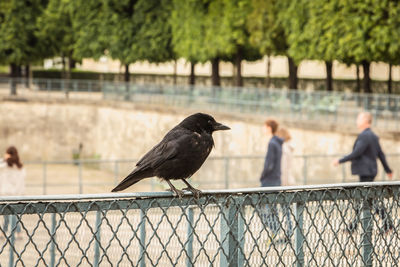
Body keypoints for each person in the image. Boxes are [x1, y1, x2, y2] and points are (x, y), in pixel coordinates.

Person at [333, 112, 393, 234]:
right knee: (367, 199)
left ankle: (386, 224)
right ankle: (355, 226)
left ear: (366, 121)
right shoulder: (373, 136)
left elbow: (357, 152)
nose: (357, 121)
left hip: (366, 171)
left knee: (369, 200)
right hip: (370, 170)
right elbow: (380, 154)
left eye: (359, 119)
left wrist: (340, 160)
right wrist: (388, 170)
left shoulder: (365, 136)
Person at [260, 119, 285, 242]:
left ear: (269, 128)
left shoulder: (272, 143)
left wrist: (263, 176)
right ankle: (277, 232)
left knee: (262, 207)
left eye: (264, 126)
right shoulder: (278, 143)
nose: (263, 129)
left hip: (269, 180)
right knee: (273, 208)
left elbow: (269, 164)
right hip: (276, 179)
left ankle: (276, 230)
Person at [0, 146, 26, 239]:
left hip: (6, 194)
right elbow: (22, 181)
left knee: (8, 215)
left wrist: (5, 159)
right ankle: (16, 233)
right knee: (12, 214)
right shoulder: (20, 166)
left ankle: (9, 232)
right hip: (17, 194)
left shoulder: (4, 166)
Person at [276, 127, 294, 237]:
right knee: (286, 209)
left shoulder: (284, 148)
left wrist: (282, 184)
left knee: (285, 209)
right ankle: (289, 230)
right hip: (288, 180)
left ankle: (288, 231)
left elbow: (283, 168)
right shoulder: (289, 147)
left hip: (284, 182)